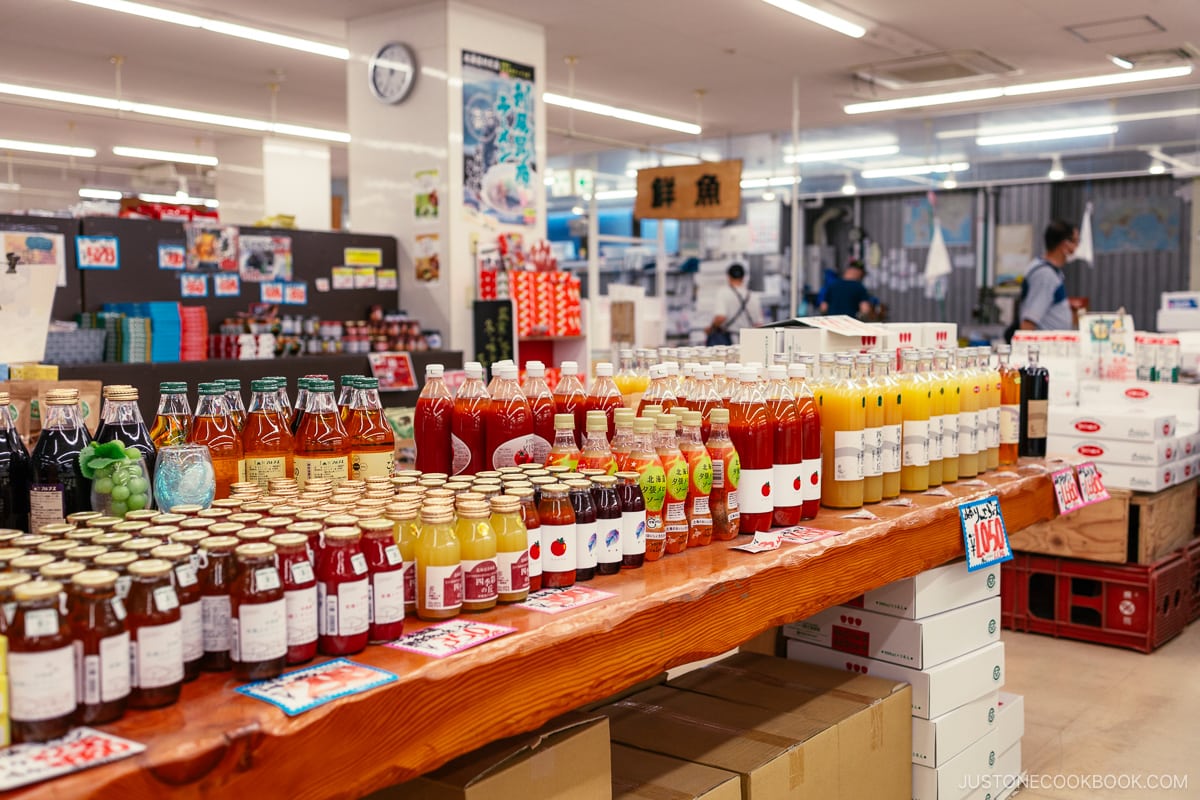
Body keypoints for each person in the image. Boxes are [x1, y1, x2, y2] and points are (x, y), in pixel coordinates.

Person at [1017, 219, 1077, 332]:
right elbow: (1028, 322)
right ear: (1064, 245)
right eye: (1075, 242)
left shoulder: (1051, 271)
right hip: (1044, 347)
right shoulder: (1044, 275)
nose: (1076, 248)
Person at [707, 263, 762, 346]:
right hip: (749, 341)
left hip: (729, 340)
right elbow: (759, 324)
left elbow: (720, 317)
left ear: (728, 277)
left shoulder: (723, 293)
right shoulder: (753, 296)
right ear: (743, 278)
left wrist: (710, 329)